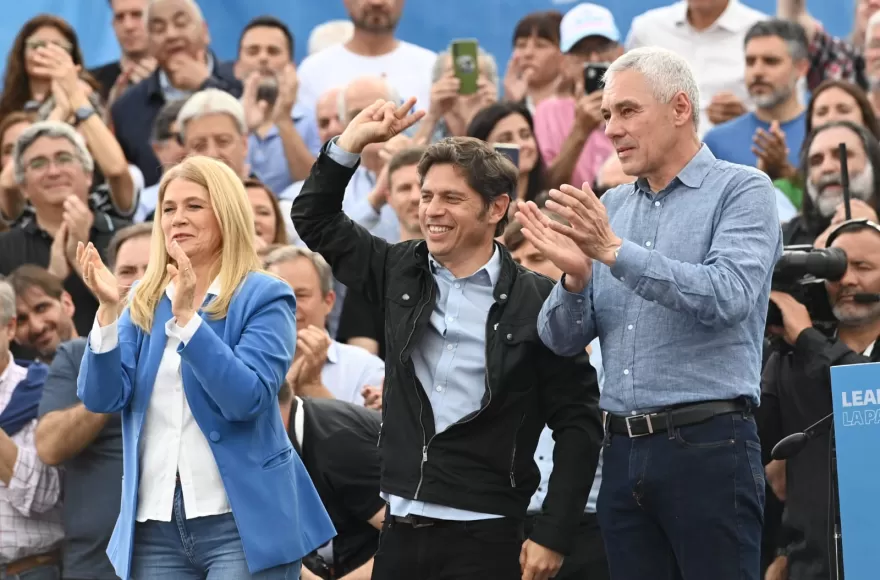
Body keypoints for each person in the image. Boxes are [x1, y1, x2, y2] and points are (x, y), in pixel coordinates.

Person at [292, 98, 602, 580]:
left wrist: (553, 533)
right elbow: (314, 219)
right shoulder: (398, 268)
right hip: (399, 527)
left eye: (451, 199)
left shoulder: (538, 300)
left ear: (496, 208)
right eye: (426, 195)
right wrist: (350, 144)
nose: (431, 211)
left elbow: (579, 424)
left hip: (489, 535)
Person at [516, 46, 782, 579]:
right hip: (620, 453)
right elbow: (561, 340)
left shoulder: (743, 189)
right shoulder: (610, 208)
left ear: (680, 108)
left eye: (628, 111)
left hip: (708, 445)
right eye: (608, 114)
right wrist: (574, 279)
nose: (612, 129)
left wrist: (616, 253)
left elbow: (728, 295)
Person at [74, 155, 335, 580]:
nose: (178, 217)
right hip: (154, 524)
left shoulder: (265, 295)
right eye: (168, 208)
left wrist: (188, 323)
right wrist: (107, 311)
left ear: (225, 213)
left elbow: (246, 399)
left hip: (242, 522)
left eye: (194, 205)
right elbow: (101, 397)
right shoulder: (144, 297)